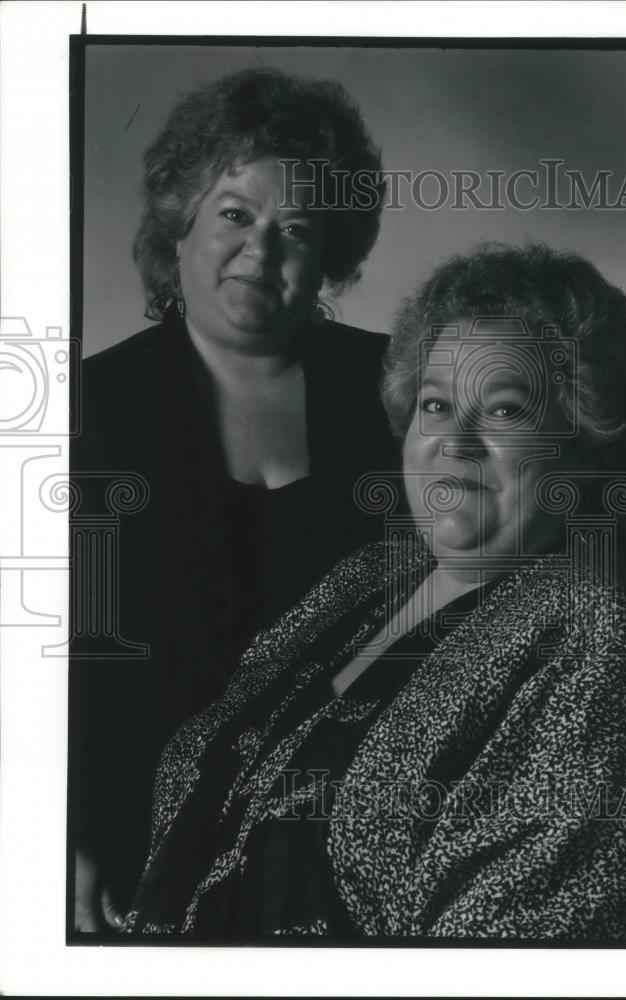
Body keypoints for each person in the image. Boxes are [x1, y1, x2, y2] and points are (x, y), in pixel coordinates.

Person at [121, 243, 626, 942]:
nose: (454, 443)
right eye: (436, 404)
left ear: (588, 446)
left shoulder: (604, 633)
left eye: (504, 412)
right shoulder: (371, 579)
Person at [70, 68, 398, 931]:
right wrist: (52, 829)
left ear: (331, 252)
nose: (262, 250)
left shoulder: (407, 389)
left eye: (298, 227)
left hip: (359, 837)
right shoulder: (83, 409)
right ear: (179, 225)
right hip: (132, 837)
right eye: (235, 214)